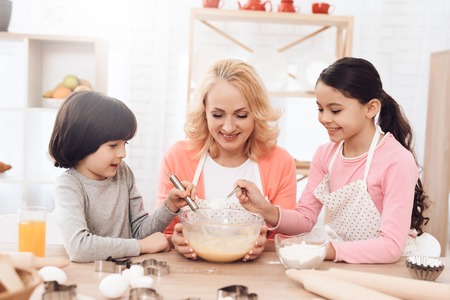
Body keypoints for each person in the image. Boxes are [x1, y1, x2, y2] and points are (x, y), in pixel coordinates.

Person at [235, 57, 430, 264]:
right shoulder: (325, 155)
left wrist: (322, 250)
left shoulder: (397, 161)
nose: (325, 118)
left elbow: (390, 247)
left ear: (371, 108)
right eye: (320, 109)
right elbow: (304, 220)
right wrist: (265, 209)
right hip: (345, 264)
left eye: (335, 110)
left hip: (387, 269)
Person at [156, 59, 298, 261]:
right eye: (217, 115)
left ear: (256, 114)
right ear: (204, 111)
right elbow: (164, 231)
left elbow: (286, 237)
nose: (229, 127)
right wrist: (176, 242)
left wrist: (262, 245)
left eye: (241, 115)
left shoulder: (280, 161)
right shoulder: (177, 157)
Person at [49, 91, 195, 263]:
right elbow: (79, 248)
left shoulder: (122, 172)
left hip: (126, 272)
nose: (122, 153)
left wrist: (169, 206)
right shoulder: (68, 186)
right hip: (89, 276)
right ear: (82, 142)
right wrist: (141, 247)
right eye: (113, 145)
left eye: (124, 143)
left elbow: (140, 232)